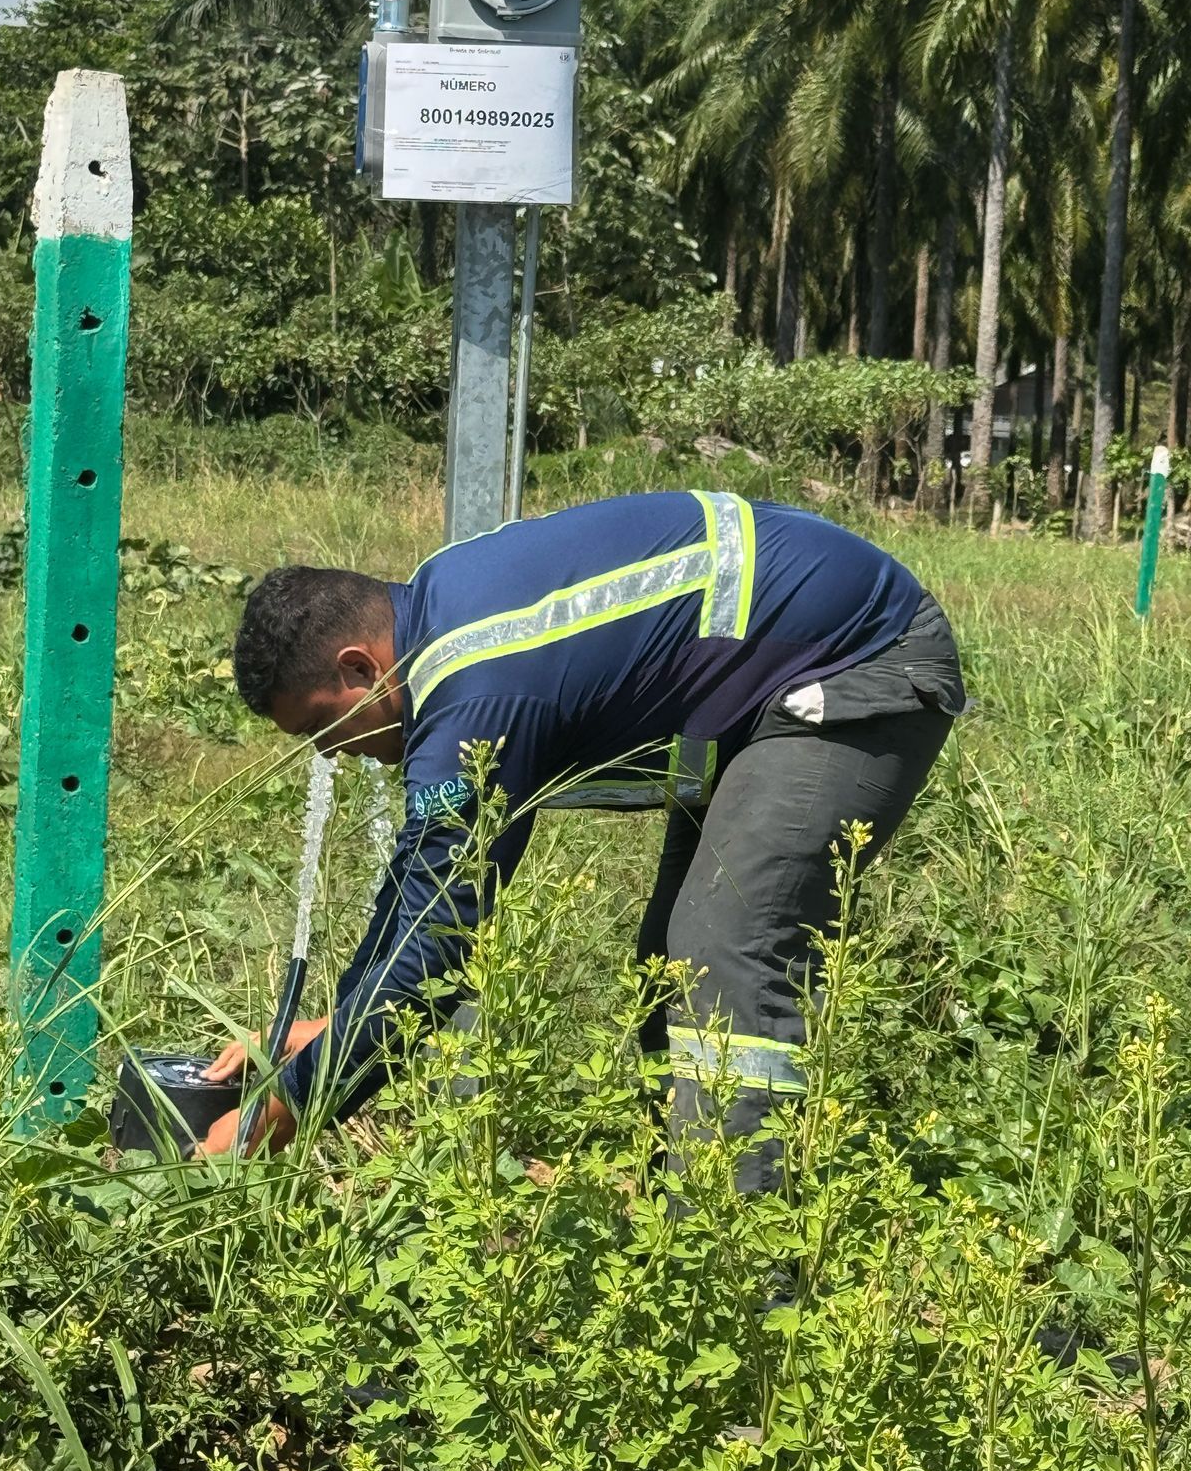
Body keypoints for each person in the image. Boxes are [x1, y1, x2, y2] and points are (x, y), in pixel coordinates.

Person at [202, 489, 966, 1188]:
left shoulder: (476, 686)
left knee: (725, 947)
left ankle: (739, 1263)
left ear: (360, 666)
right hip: (758, 686)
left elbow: (436, 946)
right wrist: (337, 1026)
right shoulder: (435, 616)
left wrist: (273, 1120)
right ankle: (679, 1202)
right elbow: (420, 885)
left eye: (321, 726)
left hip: (858, 661)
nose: (329, 754)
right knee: (669, 960)